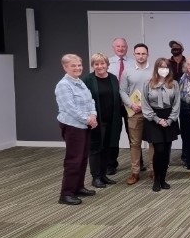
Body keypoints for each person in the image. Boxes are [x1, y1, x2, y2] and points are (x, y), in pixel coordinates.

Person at [54, 54, 98, 205]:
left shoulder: (79, 82)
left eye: (79, 65)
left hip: (84, 125)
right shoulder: (63, 85)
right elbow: (70, 108)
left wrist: (93, 115)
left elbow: (90, 100)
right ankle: (66, 193)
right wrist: (88, 119)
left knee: (83, 158)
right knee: (73, 160)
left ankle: (78, 187)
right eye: (73, 66)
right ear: (65, 67)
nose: (78, 68)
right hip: (73, 126)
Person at [82, 52, 122, 189]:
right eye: (96, 64)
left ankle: (104, 175)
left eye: (102, 63)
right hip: (96, 121)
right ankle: (95, 177)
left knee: (107, 148)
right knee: (95, 149)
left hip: (112, 119)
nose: (100, 66)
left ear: (107, 64)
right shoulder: (88, 79)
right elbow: (83, 101)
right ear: (93, 65)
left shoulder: (113, 78)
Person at [141, 58, 180, 191]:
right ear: (156, 68)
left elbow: (176, 104)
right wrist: (158, 120)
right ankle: (156, 179)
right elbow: (145, 104)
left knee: (166, 151)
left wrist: (169, 120)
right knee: (159, 150)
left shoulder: (174, 84)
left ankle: (163, 179)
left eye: (166, 67)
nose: (164, 69)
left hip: (169, 118)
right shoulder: (148, 84)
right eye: (161, 67)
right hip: (153, 119)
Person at [119, 43, 154, 185]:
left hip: (151, 112)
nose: (141, 56)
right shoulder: (127, 72)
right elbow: (122, 91)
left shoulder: (154, 71)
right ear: (134, 55)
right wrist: (131, 104)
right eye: (138, 53)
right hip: (134, 112)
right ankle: (135, 172)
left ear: (147, 54)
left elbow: (158, 89)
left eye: (143, 53)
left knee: (153, 142)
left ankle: (153, 169)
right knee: (135, 143)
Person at [107, 37, 140, 175]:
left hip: (130, 104)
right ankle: (111, 164)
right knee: (113, 134)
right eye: (118, 46)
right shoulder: (107, 62)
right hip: (113, 104)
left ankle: (139, 162)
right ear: (113, 47)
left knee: (134, 134)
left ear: (127, 48)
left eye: (123, 46)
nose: (121, 48)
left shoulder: (133, 63)